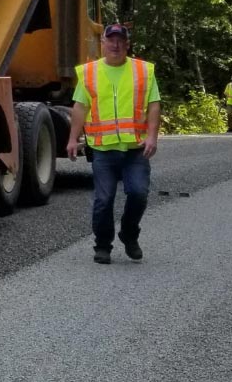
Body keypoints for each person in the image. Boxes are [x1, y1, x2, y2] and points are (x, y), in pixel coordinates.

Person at [65, 24, 162, 264]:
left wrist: (152, 136)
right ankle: (103, 246)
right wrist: (72, 138)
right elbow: (80, 106)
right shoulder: (89, 73)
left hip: (135, 149)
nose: (115, 45)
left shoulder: (143, 71)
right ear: (103, 43)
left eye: (120, 40)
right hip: (103, 149)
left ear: (127, 44)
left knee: (138, 194)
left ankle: (129, 234)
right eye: (111, 40)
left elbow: (154, 104)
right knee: (103, 200)